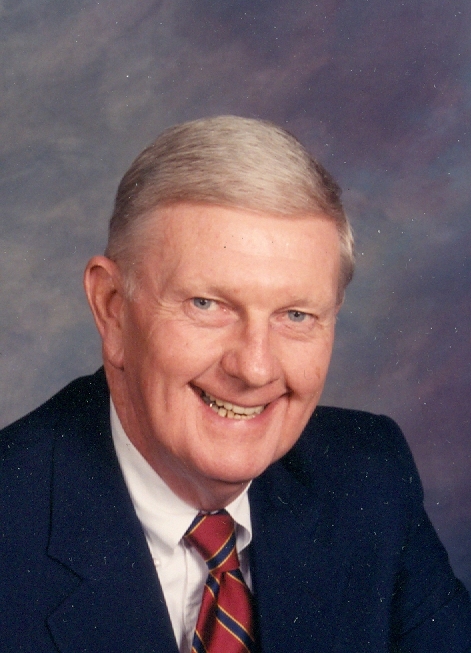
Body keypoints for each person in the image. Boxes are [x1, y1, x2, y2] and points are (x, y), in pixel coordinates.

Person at [1, 116, 470, 653]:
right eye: (207, 305)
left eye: (296, 315)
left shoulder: (367, 477)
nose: (254, 369)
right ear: (112, 310)